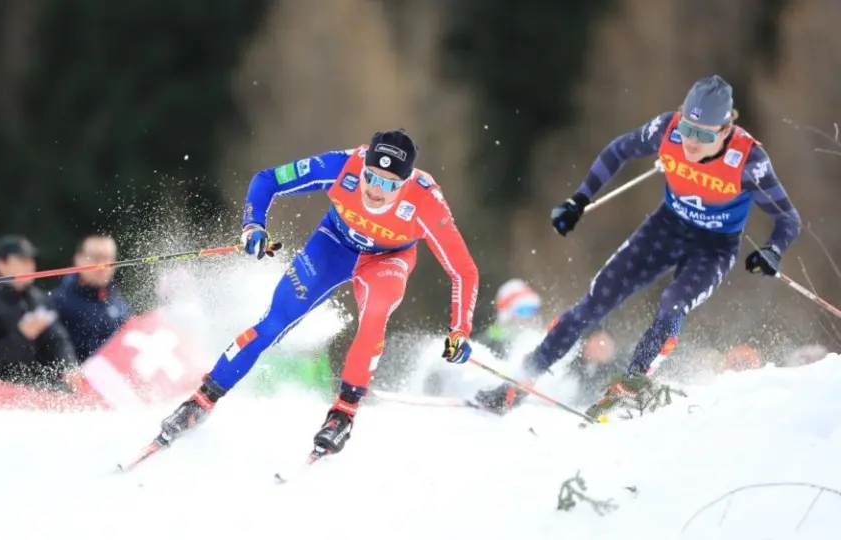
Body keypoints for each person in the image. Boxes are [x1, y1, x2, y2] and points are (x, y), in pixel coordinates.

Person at [474, 75, 801, 419]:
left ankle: (631, 390)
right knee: (595, 302)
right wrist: (579, 199)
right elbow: (618, 150)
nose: (691, 142)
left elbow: (788, 218)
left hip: (714, 247)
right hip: (666, 229)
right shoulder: (667, 130)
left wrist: (773, 250)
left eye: (704, 135)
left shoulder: (749, 160)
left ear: (725, 130)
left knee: (673, 305)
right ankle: (519, 383)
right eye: (688, 129)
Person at [155, 129, 479, 455]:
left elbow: (463, 271)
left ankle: (342, 416)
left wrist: (460, 330)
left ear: (405, 182)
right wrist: (253, 226)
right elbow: (267, 179)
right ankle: (200, 402)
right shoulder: (342, 166)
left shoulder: (427, 202)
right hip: (333, 245)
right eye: (370, 177)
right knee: (274, 322)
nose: (376, 190)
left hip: (387, 259)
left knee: (375, 313)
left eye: (389, 184)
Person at [0, 235, 81, 391]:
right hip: (1, 391)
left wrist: (68, 366)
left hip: (45, 388)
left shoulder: (40, 300)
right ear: (0, 265)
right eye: (22, 260)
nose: (30, 265)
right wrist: (21, 335)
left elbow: (58, 339)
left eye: (31, 260)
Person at [50, 234, 132, 360]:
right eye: (95, 257)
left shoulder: (120, 305)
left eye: (108, 258)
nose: (102, 265)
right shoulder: (57, 302)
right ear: (78, 259)